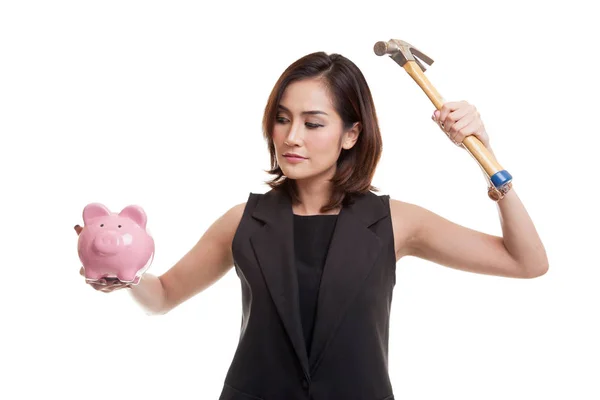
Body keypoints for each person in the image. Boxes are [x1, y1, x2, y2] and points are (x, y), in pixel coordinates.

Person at [75, 52, 548, 400]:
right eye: (282, 119)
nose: (292, 137)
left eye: (313, 122)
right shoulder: (244, 220)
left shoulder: (394, 222)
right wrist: (127, 276)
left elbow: (526, 262)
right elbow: (163, 297)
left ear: (351, 133)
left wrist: (485, 158)